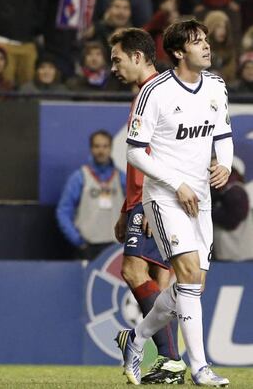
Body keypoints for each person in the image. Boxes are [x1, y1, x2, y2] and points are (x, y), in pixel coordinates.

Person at [116, 19, 233, 386]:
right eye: (197, 42)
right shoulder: (157, 91)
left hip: (201, 197)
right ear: (179, 52)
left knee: (191, 286)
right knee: (186, 275)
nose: (206, 47)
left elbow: (224, 134)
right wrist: (176, 183)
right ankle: (199, 367)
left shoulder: (216, 86)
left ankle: (135, 339)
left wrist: (225, 165)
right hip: (165, 196)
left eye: (206, 41)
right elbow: (135, 152)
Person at [110, 27, 186, 384]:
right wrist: (127, 208)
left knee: (132, 272)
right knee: (159, 281)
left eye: (117, 59)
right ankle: (166, 361)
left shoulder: (156, 93)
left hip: (154, 198)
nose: (113, 67)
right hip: (144, 199)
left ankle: (164, 355)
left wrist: (152, 205)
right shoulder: (148, 93)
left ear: (137, 57)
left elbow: (161, 155)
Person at [56, 130, 125, 260]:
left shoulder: (121, 178)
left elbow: (133, 209)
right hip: (88, 248)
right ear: (91, 148)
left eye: (105, 146)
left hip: (115, 247)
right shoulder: (80, 177)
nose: (101, 151)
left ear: (111, 148)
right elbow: (63, 211)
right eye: (97, 146)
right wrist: (78, 241)